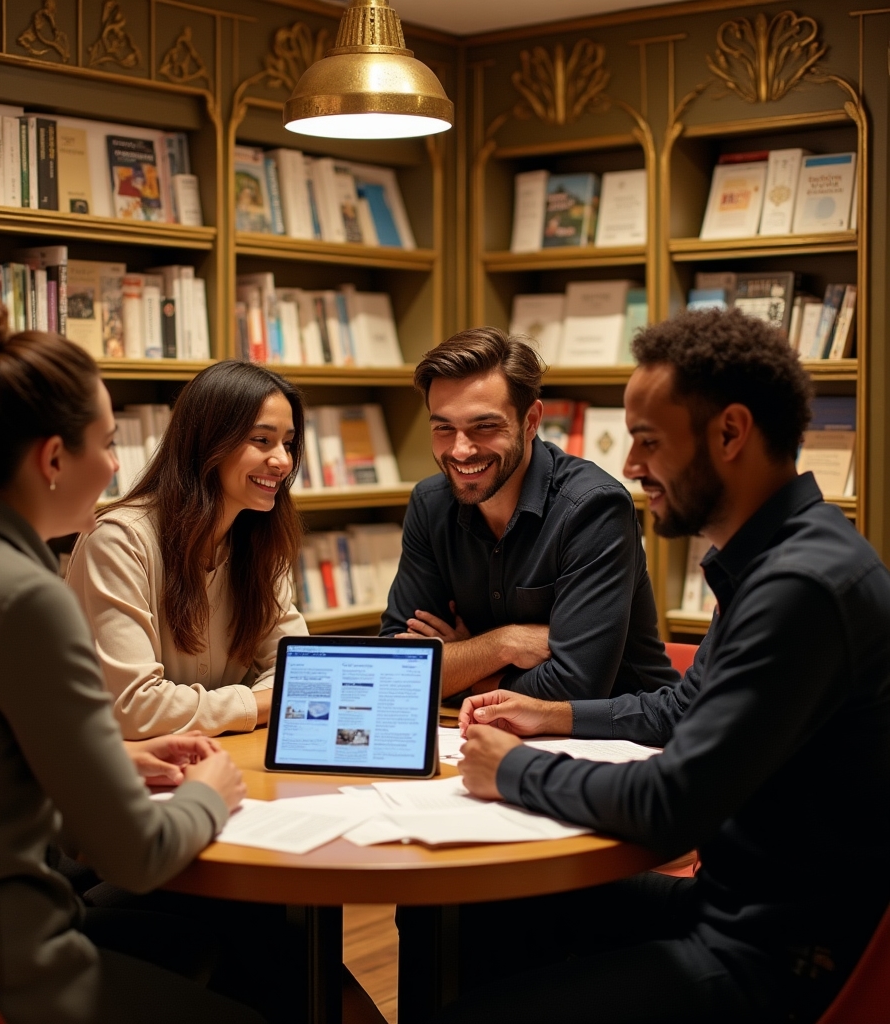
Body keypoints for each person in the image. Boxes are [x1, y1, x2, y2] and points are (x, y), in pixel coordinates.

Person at [446, 308, 890, 1024]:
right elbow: (683, 709)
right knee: (480, 913)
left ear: (730, 433)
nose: (630, 467)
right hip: (734, 906)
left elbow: (671, 808)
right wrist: (553, 715)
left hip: (779, 956)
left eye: (648, 441)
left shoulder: (801, 586)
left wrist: (512, 770)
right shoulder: (775, 558)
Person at [0, 299, 261, 1024]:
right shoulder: (24, 595)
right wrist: (211, 789)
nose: (118, 466)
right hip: (5, 971)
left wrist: (113, 754)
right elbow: (137, 854)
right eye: (108, 444)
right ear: (53, 458)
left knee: (214, 940)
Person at [380, 326, 676, 700]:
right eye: (443, 428)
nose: (461, 450)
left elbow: (576, 685)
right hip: (484, 731)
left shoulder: (593, 508)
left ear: (531, 421)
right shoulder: (429, 503)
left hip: (617, 740)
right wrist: (502, 645)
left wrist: (458, 664)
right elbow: (393, 668)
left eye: (484, 426)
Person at [66, 361, 308, 739]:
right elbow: (136, 708)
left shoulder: (261, 541)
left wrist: (209, 710)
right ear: (209, 441)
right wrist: (266, 701)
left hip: (220, 756)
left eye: (288, 443)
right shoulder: (119, 541)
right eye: (262, 440)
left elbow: (302, 671)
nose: (283, 461)